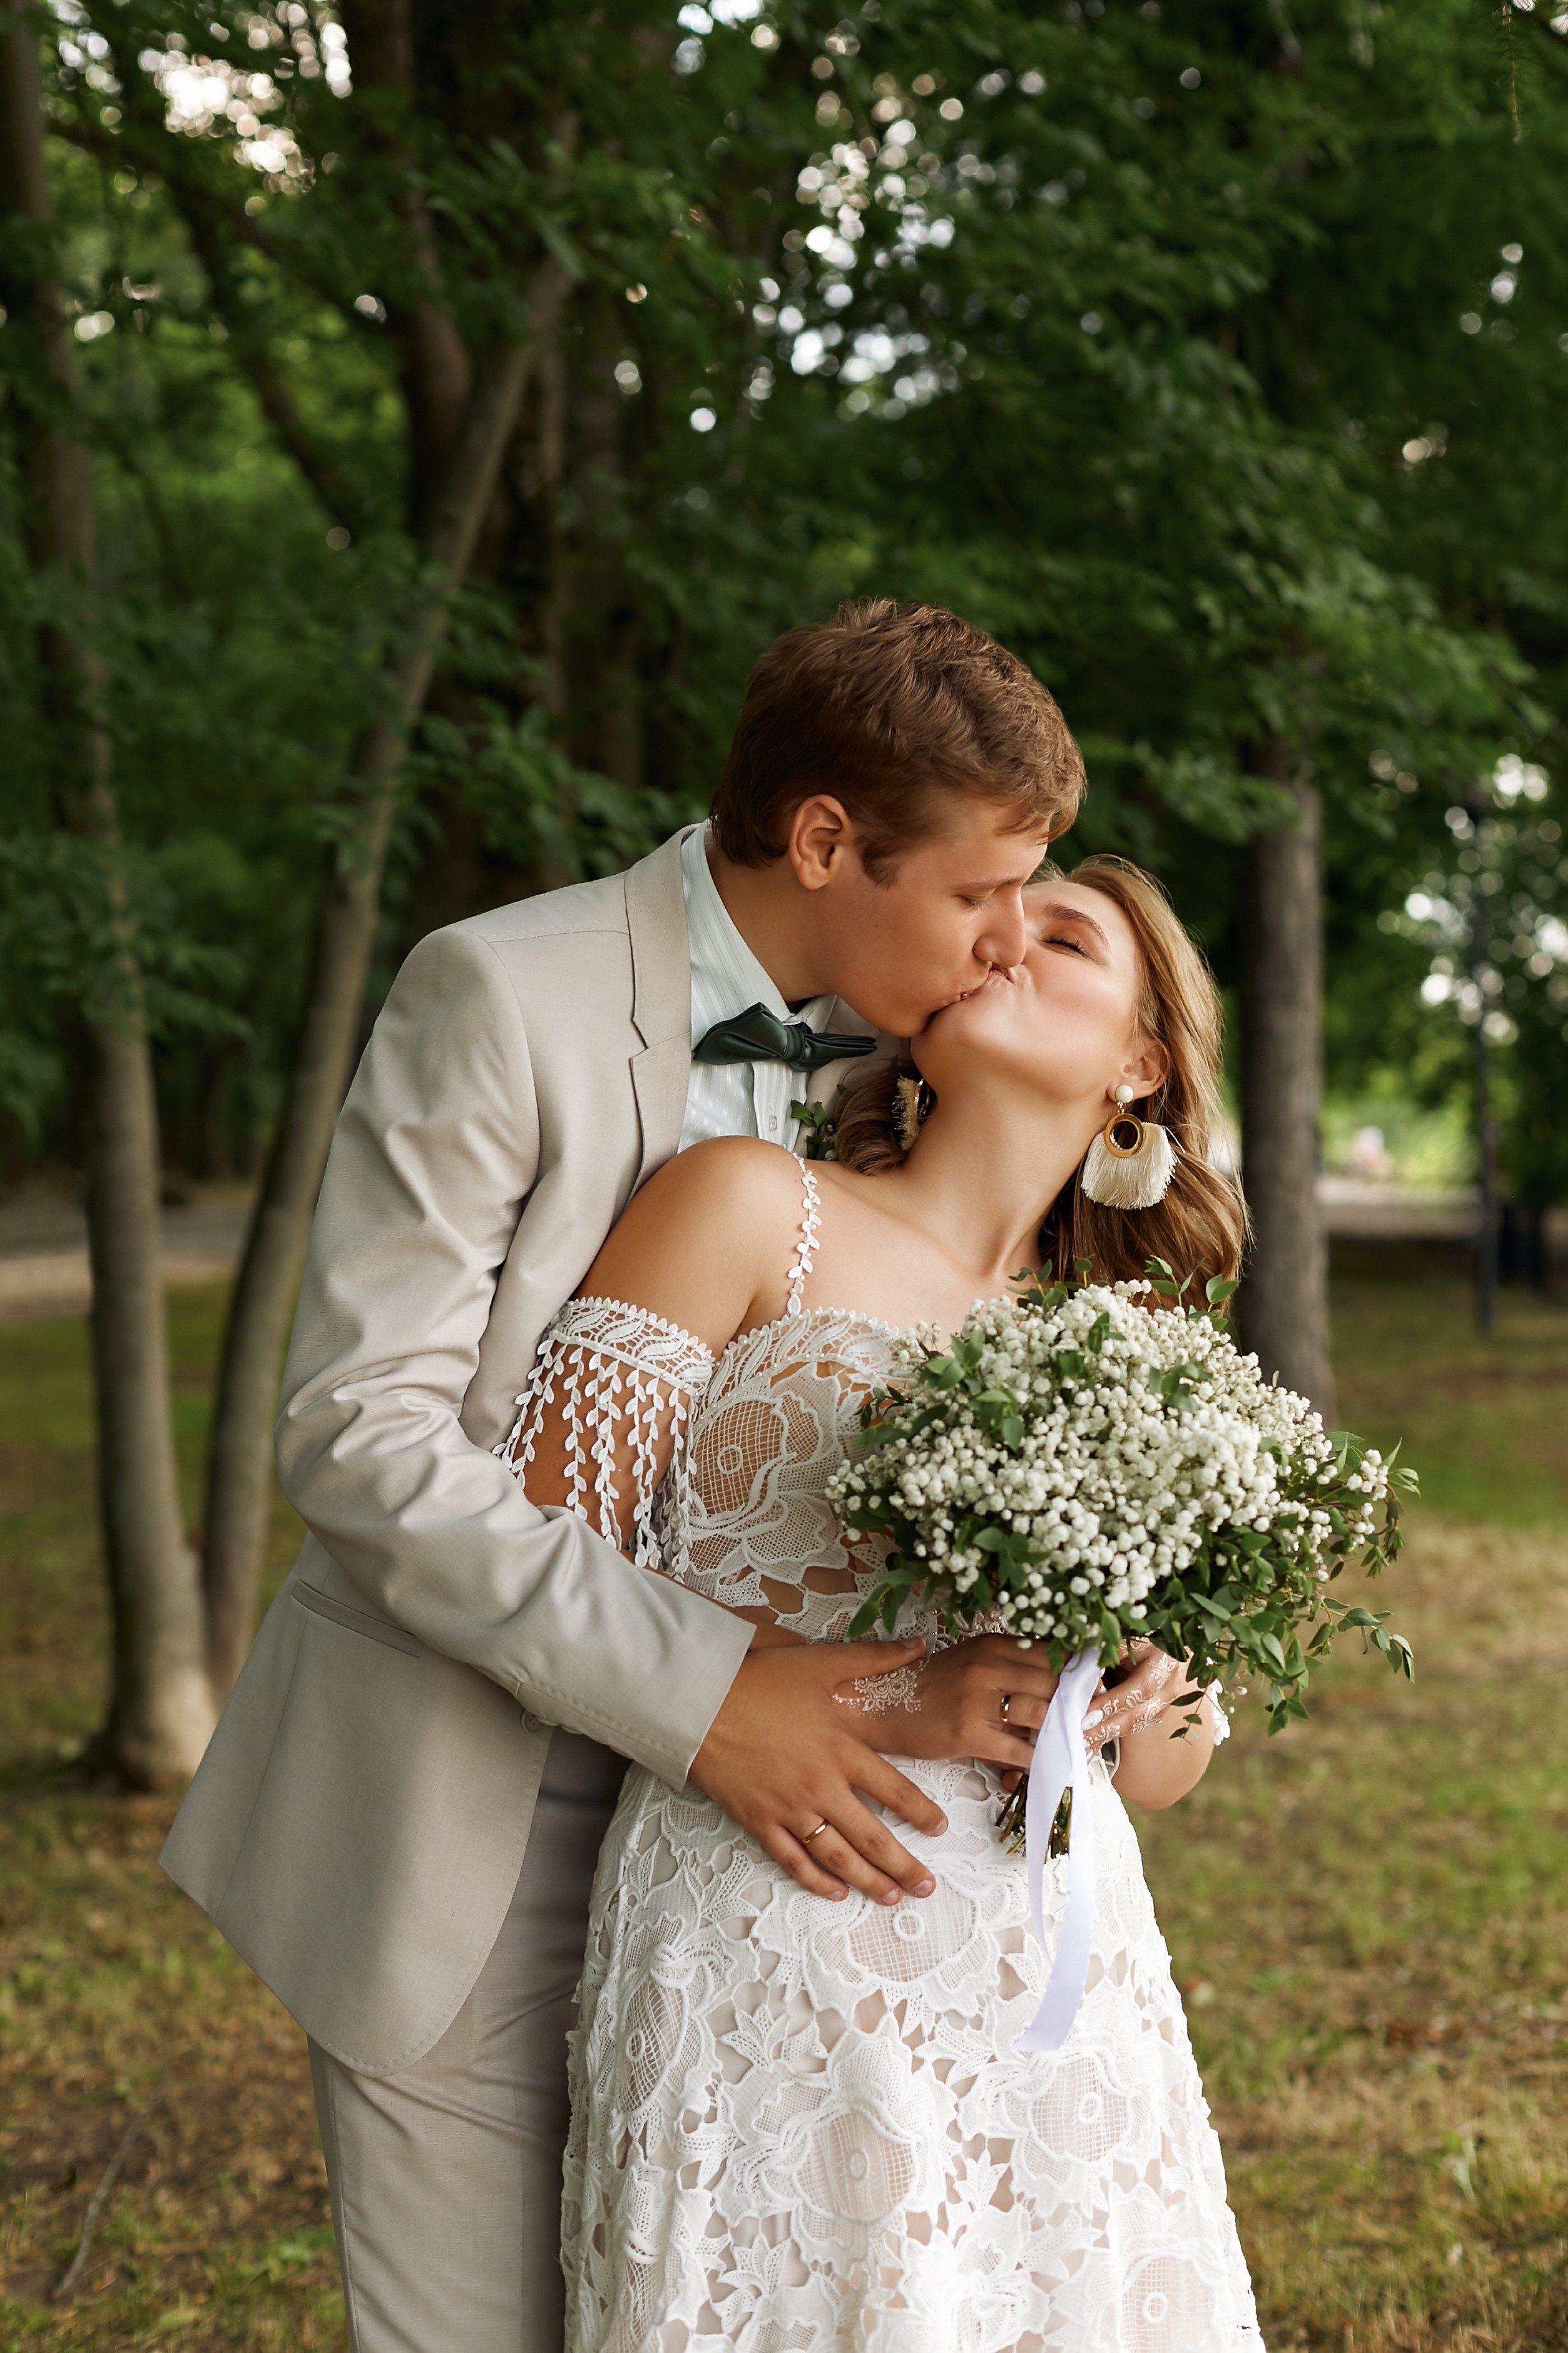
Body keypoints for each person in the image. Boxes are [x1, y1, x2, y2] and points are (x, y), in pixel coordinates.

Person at [161, 600, 1172, 2352]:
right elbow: (358, 1430)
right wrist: (708, 1701)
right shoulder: (503, 991)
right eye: (980, 891)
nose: (1008, 938)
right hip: (472, 1806)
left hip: (816, 1881)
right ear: (826, 840)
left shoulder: (914, 1056)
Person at [506, 855, 1263, 2349]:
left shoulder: (1132, 1349)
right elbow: (530, 1559)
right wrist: (893, 1695)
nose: (1006, 939)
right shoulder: (745, 1205)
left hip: (1052, 1968)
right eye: (996, 911)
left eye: (1064, 936)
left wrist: (1146, 1680)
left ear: (1140, 1064)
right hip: (771, 1917)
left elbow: (1163, 1772)